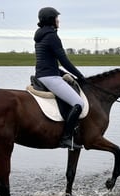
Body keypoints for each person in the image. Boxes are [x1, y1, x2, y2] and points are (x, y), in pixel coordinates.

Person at [34, 7, 86, 150]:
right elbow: (64, 60)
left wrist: (63, 74)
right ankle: (66, 138)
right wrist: (80, 75)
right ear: (51, 20)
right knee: (78, 103)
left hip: (44, 75)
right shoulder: (52, 36)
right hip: (50, 77)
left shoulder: (40, 36)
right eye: (56, 18)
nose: (58, 20)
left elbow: (48, 62)